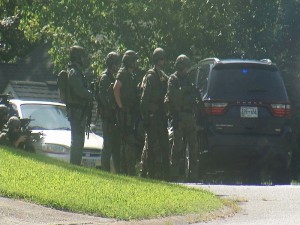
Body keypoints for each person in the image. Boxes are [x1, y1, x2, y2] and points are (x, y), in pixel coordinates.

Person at [165, 54, 199, 181]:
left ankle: (193, 175)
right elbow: (173, 96)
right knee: (177, 147)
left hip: (189, 116)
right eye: (185, 67)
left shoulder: (188, 79)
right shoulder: (173, 79)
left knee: (193, 147)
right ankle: (174, 174)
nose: (187, 70)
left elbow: (193, 98)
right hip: (179, 116)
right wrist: (184, 90)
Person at [140, 47, 170, 180]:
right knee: (151, 148)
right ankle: (149, 174)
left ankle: (165, 175)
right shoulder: (151, 76)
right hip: (152, 117)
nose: (163, 61)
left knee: (164, 146)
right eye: (161, 59)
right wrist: (145, 117)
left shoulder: (162, 75)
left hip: (161, 117)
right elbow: (144, 99)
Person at [113, 50, 139, 176]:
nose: (136, 63)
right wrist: (121, 106)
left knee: (128, 142)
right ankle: (127, 171)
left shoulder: (130, 74)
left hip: (130, 112)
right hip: (124, 113)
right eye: (134, 60)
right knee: (128, 142)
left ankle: (127, 171)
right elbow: (116, 88)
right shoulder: (123, 73)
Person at [66, 45, 93, 165]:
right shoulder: (74, 72)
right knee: (77, 139)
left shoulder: (77, 72)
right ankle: (74, 164)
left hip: (79, 111)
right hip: (76, 111)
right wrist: (90, 94)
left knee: (79, 138)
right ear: (78, 58)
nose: (84, 59)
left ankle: (76, 163)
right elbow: (79, 91)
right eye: (82, 57)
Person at [96, 52, 122, 173]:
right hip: (108, 117)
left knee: (116, 146)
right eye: (116, 64)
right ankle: (105, 171)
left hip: (114, 117)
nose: (118, 66)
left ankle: (118, 171)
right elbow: (103, 97)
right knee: (108, 146)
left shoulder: (113, 77)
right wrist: (110, 106)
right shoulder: (105, 77)